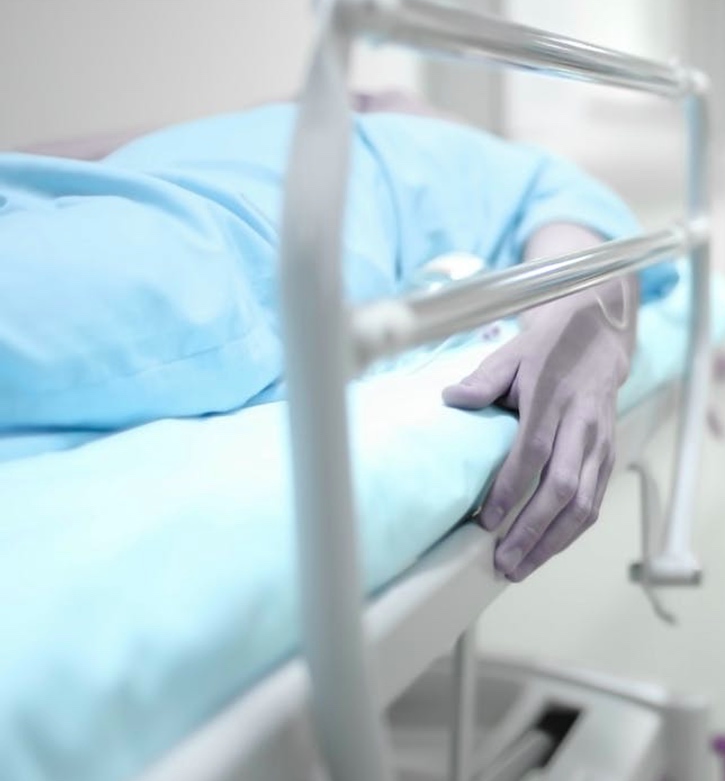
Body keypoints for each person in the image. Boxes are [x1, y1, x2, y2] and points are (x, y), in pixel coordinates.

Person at [0, 102, 677, 581]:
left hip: (222, 231)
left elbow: (583, 274)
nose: (387, 92)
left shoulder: (506, 169)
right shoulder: (301, 112)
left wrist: (595, 335)